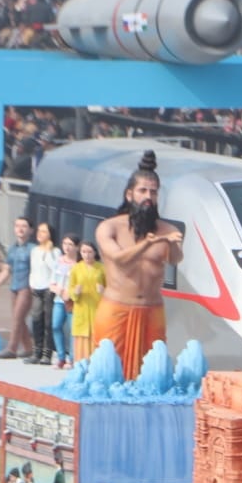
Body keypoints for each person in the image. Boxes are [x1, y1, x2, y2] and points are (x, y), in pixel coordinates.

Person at [93, 151, 183, 380]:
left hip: (152, 310)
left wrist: (172, 245)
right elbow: (120, 260)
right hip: (116, 309)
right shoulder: (109, 228)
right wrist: (147, 245)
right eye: (143, 190)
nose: (148, 197)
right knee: (109, 371)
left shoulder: (168, 230)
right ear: (129, 194)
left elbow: (175, 259)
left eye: (153, 192)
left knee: (152, 373)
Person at [0, 216, 35, 358]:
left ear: (31, 230)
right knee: (18, 318)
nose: (20, 229)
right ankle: (28, 348)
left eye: (24, 226)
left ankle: (12, 349)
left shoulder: (33, 249)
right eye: (17, 226)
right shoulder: (13, 248)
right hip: (14, 286)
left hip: (27, 287)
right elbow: (7, 269)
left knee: (17, 317)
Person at [66, 240, 105, 363]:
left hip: (97, 309)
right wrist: (75, 292)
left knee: (97, 337)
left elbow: (111, 290)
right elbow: (70, 288)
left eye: (89, 252)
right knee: (81, 340)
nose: (87, 255)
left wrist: (103, 291)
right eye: (84, 252)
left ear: (95, 253)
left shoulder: (101, 268)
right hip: (81, 309)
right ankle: (80, 365)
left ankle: (96, 365)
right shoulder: (76, 268)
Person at [26, 221, 59, 365]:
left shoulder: (55, 252)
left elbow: (54, 268)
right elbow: (33, 269)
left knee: (48, 322)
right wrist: (31, 283)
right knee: (36, 319)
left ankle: (47, 354)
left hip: (48, 289)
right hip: (36, 288)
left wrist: (48, 253)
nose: (40, 233)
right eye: (39, 230)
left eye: (44, 231)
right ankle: (36, 351)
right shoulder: (34, 250)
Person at [49, 234, 78, 368]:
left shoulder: (79, 264)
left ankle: (71, 358)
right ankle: (61, 356)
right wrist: (59, 291)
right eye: (65, 243)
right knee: (56, 326)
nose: (67, 247)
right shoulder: (58, 261)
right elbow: (52, 282)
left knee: (73, 329)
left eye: (70, 244)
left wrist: (71, 294)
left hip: (73, 301)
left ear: (76, 247)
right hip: (59, 299)